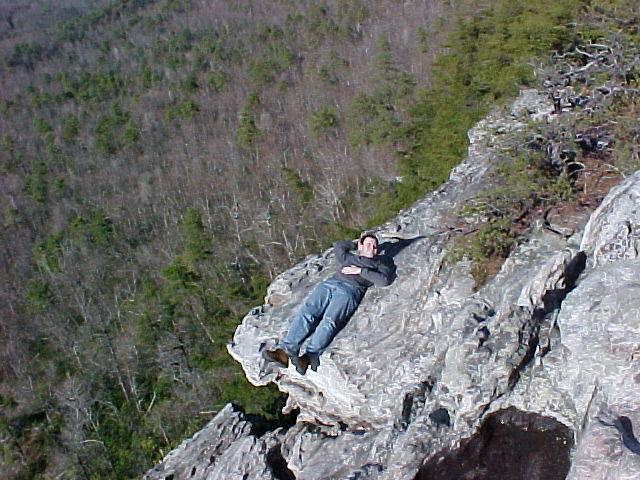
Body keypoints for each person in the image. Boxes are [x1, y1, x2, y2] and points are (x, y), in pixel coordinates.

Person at [265, 232, 395, 374]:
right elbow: (338, 245)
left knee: (329, 322)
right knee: (307, 313)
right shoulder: (349, 257)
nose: (372, 248)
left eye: (375, 246)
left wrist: (360, 270)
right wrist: (354, 244)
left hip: (349, 291)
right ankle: (285, 351)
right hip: (329, 284)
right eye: (369, 244)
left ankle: (309, 356)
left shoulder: (380, 263)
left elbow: (384, 280)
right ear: (361, 246)